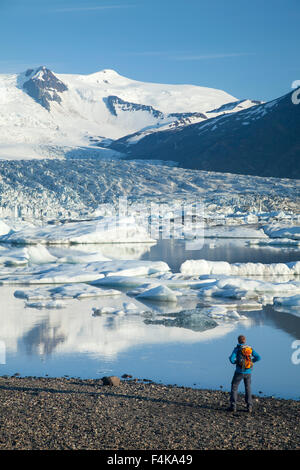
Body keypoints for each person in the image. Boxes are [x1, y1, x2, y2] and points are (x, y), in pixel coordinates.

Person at [228, 335, 261, 413]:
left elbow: (231, 359)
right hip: (248, 372)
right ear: (245, 340)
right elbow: (258, 357)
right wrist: (251, 362)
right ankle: (249, 406)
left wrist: (236, 362)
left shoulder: (237, 349)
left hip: (239, 371)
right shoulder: (250, 349)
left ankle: (233, 406)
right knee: (248, 388)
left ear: (238, 341)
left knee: (234, 387)